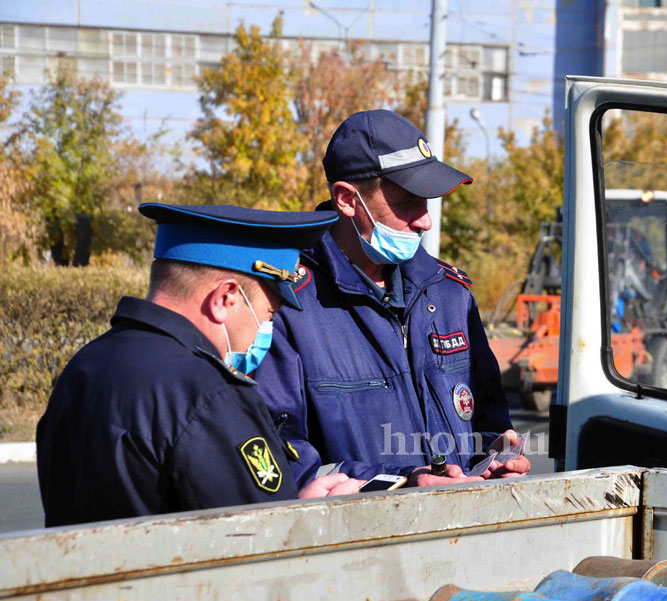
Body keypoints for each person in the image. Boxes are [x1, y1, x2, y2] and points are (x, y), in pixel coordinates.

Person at [37, 203, 364, 527]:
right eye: (269, 315)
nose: (266, 329)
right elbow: (259, 539)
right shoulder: (210, 394)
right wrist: (308, 518)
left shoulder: (86, 364)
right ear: (226, 299)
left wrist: (294, 504)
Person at [255, 109, 531, 487]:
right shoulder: (285, 305)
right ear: (347, 200)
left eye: (427, 202)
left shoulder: (450, 294)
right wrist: (398, 483)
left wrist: (494, 458)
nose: (425, 221)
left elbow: (487, 420)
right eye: (407, 203)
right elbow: (276, 455)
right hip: (358, 537)